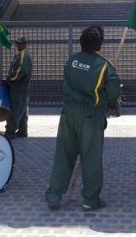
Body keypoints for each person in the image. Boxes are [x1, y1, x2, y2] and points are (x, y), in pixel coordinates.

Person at [45, 26, 120, 211]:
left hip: (68, 113)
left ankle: (54, 196)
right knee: (91, 157)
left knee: (63, 156)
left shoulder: (71, 61)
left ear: (81, 42)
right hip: (90, 116)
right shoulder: (104, 66)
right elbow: (114, 93)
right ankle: (90, 199)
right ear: (100, 44)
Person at [4, 36, 33, 139]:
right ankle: (22, 130)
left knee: (16, 108)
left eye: (21, 44)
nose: (18, 45)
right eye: (17, 43)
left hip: (19, 87)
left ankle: (10, 131)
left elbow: (21, 71)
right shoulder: (20, 55)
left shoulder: (23, 56)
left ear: (25, 44)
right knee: (23, 108)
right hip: (21, 87)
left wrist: (10, 79)